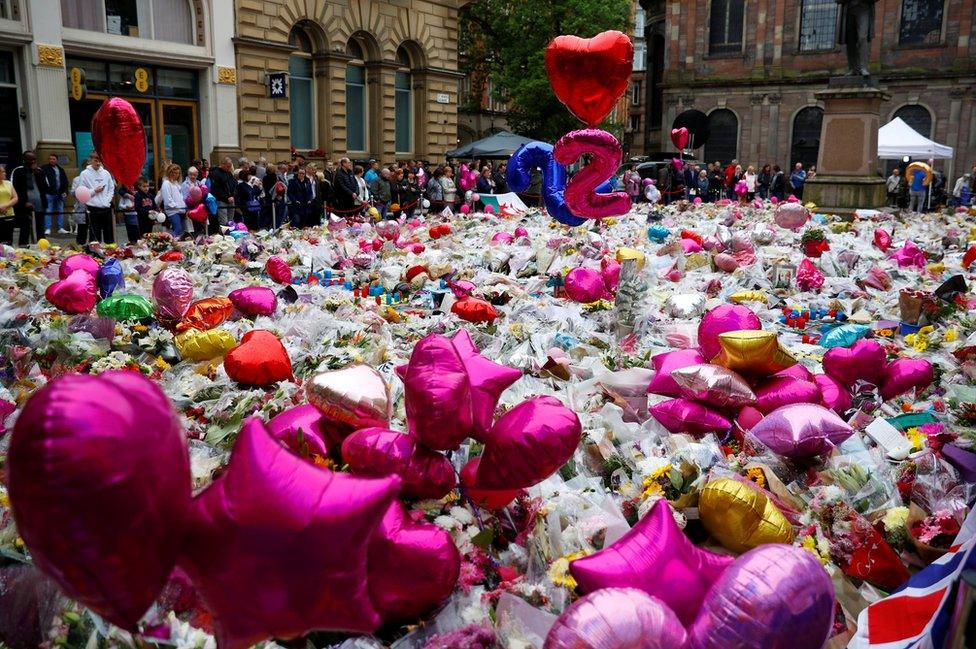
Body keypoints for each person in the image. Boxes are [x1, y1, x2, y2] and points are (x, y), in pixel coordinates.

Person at [11, 151, 47, 246]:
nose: (33, 161)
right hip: (24, 206)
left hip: (39, 204)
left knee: (40, 229)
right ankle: (23, 248)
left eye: (35, 159)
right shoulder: (18, 171)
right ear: (25, 160)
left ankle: (42, 248)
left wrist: (36, 172)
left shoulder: (39, 171)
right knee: (25, 229)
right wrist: (24, 202)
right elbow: (15, 188)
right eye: (31, 159)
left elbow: (46, 187)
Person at [79, 152, 115, 244]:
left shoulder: (106, 173)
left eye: (99, 161)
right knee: (94, 233)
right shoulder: (84, 174)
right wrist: (94, 191)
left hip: (106, 208)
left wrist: (107, 201)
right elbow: (81, 192)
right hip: (92, 208)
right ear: (90, 161)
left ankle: (110, 251)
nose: (98, 163)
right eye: (95, 161)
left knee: (109, 233)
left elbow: (111, 188)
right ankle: (95, 253)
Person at [41, 153, 69, 235]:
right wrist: (45, 190)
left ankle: (60, 228)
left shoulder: (60, 169)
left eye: (53, 159)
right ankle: (48, 228)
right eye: (50, 159)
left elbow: (65, 182)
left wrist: (65, 192)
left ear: (57, 160)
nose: (52, 160)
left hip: (60, 193)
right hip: (49, 193)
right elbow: (42, 181)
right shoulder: (44, 168)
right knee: (48, 210)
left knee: (60, 210)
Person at [159, 163, 187, 238]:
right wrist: (176, 206)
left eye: (178, 173)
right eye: (174, 173)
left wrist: (184, 206)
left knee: (181, 231)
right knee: (177, 229)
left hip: (180, 209)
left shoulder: (176, 183)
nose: (176, 175)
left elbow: (180, 197)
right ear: (170, 172)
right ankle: (167, 240)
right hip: (172, 210)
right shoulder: (166, 183)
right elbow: (167, 199)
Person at [209, 157, 236, 227]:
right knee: (224, 221)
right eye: (228, 166)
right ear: (222, 164)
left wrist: (233, 195)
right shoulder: (215, 173)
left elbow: (233, 184)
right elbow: (216, 189)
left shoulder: (229, 173)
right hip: (221, 200)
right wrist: (227, 197)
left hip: (231, 200)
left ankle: (231, 235)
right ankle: (225, 235)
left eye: (230, 166)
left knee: (231, 221)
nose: (229, 168)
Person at [0, 165, 18, 245]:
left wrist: (5, 206)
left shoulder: (8, 183)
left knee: (8, 241)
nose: (5, 173)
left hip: (9, 215)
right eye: (3, 172)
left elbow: (15, 198)